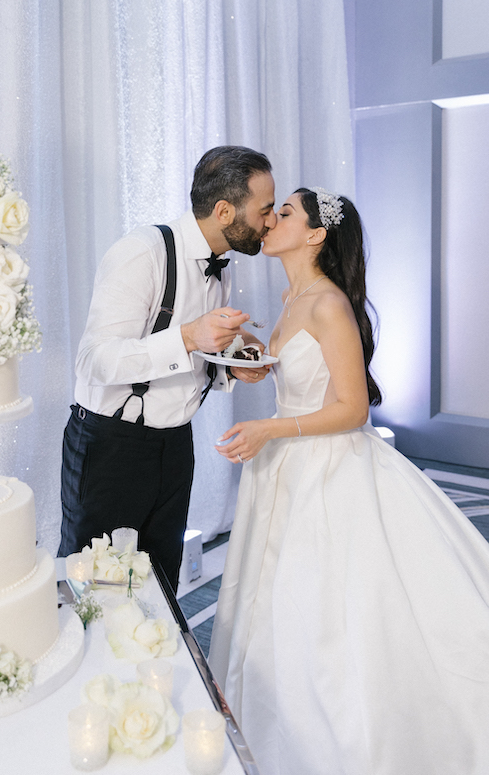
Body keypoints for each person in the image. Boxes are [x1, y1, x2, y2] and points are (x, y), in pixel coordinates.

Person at [209, 187, 489, 774]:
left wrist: (269, 429)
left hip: (328, 470)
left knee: (330, 606)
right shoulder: (293, 297)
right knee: (276, 595)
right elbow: (294, 375)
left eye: (285, 212)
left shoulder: (328, 304)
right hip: (288, 466)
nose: (271, 219)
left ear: (315, 235)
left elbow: (353, 408)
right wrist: (258, 354)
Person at [59, 146, 277, 590]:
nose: (271, 222)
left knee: (159, 583)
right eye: (266, 210)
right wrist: (189, 337)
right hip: (111, 448)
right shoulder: (142, 253)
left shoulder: (222, 266)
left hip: (176, 446)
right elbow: (92, 361)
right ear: (223, 211)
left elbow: (193, 360)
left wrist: (230, 367)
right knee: (94, 587)